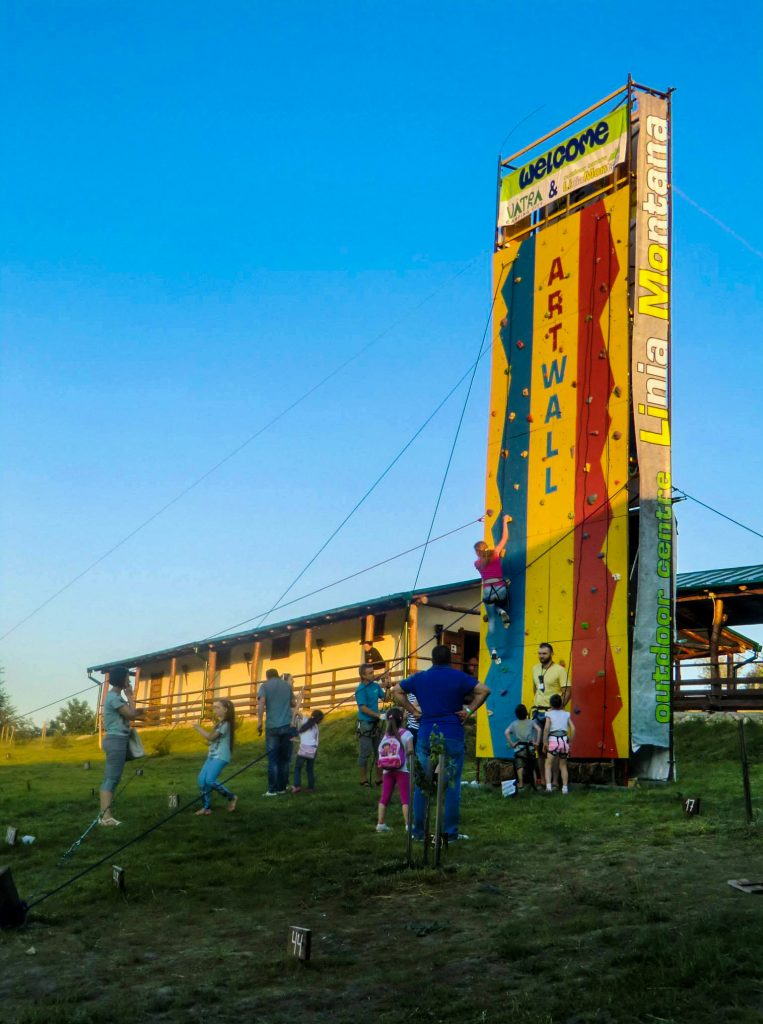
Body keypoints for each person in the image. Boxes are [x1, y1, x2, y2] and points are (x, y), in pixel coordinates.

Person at [392, 644, 490, 842]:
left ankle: (418, 832)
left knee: (422, 784)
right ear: (450, 660)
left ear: (432, 660)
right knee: (452, 786)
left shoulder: (421, 677)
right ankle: (449, 834)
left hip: (427, 733)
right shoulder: (458, 677)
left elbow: (396, 690)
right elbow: (484, 690)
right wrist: (469, 710)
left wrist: (413, 711)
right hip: (453, 733)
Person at [99, 667, 147, 826]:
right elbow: (132, 714)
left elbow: (131, 713)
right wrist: (131, 696)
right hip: (116, 740)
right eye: (128, 677)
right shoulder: (114, 698)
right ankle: (106, 818)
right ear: (122, 679)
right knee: (111, 778)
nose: (129, 681)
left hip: (118, 740)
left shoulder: (116, 697)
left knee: (113, 778)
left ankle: (106, 815)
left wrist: (131, 701)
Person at [531, 642, 570, 784]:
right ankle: (543, 780)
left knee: (553, 751)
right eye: (539, 653)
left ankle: (554, 782)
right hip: (537, 712)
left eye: (544, 653)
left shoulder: (559, 670)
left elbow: (567, 691)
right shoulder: (535, 668)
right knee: (540, 749)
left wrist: (558, 709)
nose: (541, 656)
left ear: (551, 654)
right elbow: (535, 688)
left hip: (552, 714)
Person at [193, 699, 238, 815]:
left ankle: (231, 797)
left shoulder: (226, 724)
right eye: (214, 707)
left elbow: (211, 737)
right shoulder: (220, 723)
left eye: (217, 707)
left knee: (210, 780)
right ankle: (206, 807)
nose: (215, 710)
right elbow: (213, 739)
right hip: (212, 755)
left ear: (226, 710)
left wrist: (198, 728)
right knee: (201, 780)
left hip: (221, 756)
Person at [257, 668, 295, 796]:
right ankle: (282, 787)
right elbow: (293, 703)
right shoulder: (287, 686)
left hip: (272, 726)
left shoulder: (265, 686)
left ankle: (272, 789)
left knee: (273, 759)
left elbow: (261, 702)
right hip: (287, 725)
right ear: (278, 675)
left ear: (267, 677)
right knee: (284, 758)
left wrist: (259, 722)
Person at [376, 708, 414, 833]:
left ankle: (380, 824)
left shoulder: (385, 736)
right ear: (402, 719)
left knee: (385, 796)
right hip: (402, 769)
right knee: (405, 797)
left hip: (387, 770)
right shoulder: (406, 734)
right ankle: (408, 825)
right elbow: (410, 750)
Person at [474, 514, 512, 628]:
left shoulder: (476, 563)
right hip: (500, 586)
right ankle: (503, 610)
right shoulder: (495, 553)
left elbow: (486, 569)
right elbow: (505, 538)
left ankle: (500, 612)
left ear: (477, 552)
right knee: (504, 600)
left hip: (487, 589)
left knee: (490, 605)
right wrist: (505, 521)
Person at [356, 664, 390, 786]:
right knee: (365, 753)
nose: (373, 674)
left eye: (373, 671)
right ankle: (363, 780)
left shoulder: (375, 686)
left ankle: (379, 779)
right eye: (370, 673)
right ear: (363, 675)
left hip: (375, 723)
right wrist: (378, 715)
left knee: (379, 752)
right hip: (365, 724)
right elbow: (363, 708)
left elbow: (386, 699)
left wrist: (388, 686)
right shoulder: (360, 689)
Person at [543, 693, 575, 794]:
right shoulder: (566, 714)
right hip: (564, 741)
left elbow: (546, 728)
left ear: (551, 704)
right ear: (561, 703)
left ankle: (548, 787)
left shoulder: (549, 714)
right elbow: (573, 728)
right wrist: (570, 742)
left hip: (553, 740)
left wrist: (545, 742)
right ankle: (565, 789)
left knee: (548, 764)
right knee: (563, 765)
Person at [505, 704, 541, 790]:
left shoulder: (514, 724)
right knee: (532, 767)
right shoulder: (531, 722)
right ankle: (535, 785)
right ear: (526, 713)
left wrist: (512, 744)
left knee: (519, 767)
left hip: (519, 750)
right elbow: (539, 729)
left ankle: (521, 784)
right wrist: (537, 743)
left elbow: (506, 732)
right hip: (530, 748)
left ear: (516, 714)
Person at [292, 709, 324, 793]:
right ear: (320, 720)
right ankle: (311, 787)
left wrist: (293, 706)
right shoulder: (316, 727)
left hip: (303, 749)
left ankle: (297, 786)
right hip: (313, 749)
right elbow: (312, 740)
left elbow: (296, 711)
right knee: (310, 769)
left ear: (312, 715)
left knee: (297, 768)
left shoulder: (305, 720)